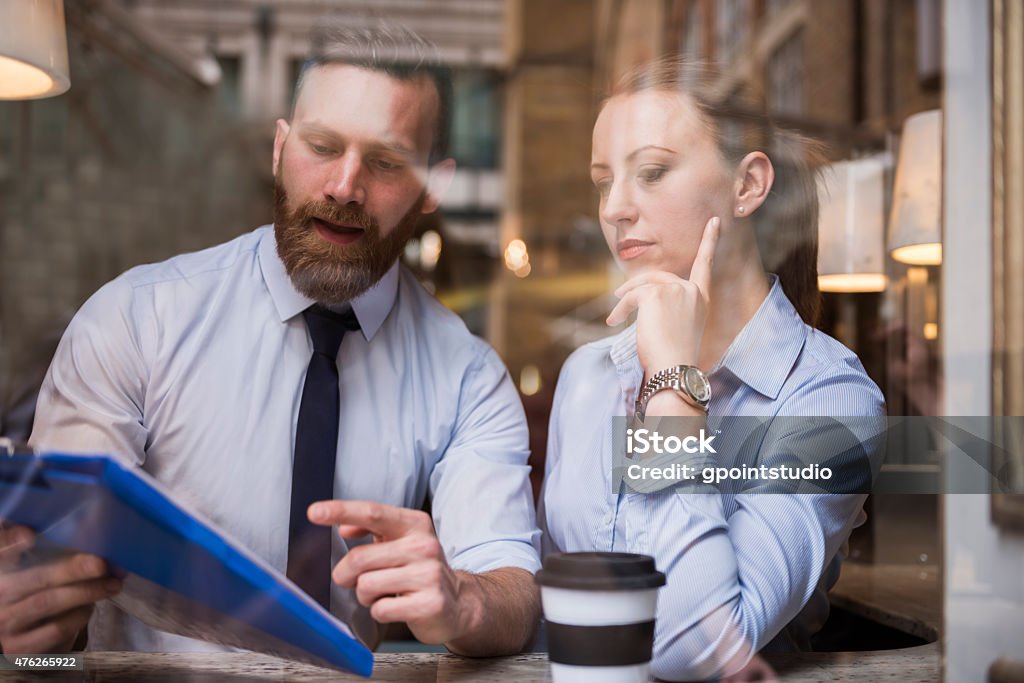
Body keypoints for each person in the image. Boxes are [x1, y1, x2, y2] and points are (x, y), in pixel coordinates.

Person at [0, 23, 540, 657]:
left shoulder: (468, 377)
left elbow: (513, 591)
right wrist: (30, 647)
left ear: (433, 187)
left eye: (387, 161)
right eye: (321, 145)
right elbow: (49, 610)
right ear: (281, 149)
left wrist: (464, 599)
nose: (344, 186)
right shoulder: (134, 321)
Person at [539, 57, 885, 680]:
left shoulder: (830, 402)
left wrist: (673, 384)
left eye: (651, 172)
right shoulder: (588, 375)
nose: (614, 208)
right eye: (602, 181)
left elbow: (690, 649)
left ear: (748, 185)